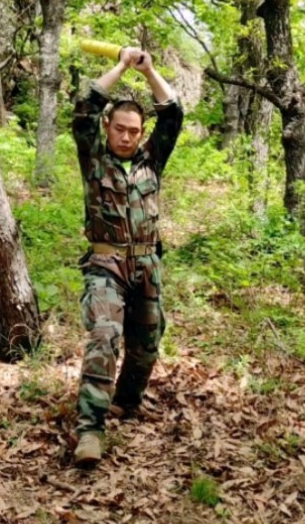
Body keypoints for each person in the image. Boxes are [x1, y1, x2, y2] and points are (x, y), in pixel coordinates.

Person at [71, 47, 183, 467]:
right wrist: (120, 65)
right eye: (119, 128)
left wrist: (150, 70)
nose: (126, 137)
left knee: (147, 344)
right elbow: (85, 109)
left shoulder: (152, 159)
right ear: (109, 127)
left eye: (133, 131)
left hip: (148, 265)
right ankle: (90, 429)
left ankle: (126, 401)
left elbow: (172, 114)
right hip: (105, 264)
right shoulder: (94, 156)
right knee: (104, 336)